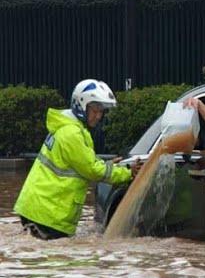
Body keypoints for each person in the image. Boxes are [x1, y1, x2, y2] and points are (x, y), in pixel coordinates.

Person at [13, 79, 143, 240]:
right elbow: (91, 170)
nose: (98, 116)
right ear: (81, 106)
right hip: (48, 214)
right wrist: (128, 173)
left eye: (101, 111)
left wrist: (107, 165)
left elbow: (81, 163)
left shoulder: (70, 128)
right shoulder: (72, 134)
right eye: (94, 110)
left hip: (41, 209)